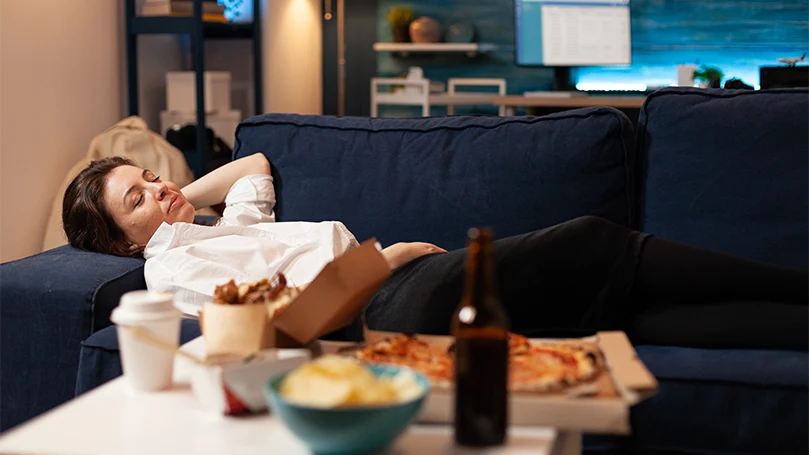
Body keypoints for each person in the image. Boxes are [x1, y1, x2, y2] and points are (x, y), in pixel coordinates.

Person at [63, 154, 809, 350]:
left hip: (397, 283)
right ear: (121, 243)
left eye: (151, 175)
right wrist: (376, 265)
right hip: (378, 306)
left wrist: (174, 200)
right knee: (591, 241)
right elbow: (278, 329)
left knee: (624, 316)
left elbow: (255, 163)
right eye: (137, 198)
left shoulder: (208, 227)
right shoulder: (171, 267)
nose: (158, 189)